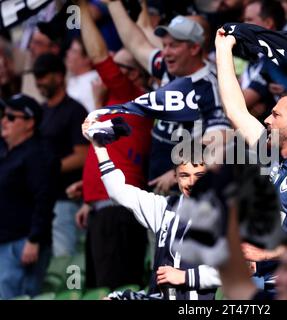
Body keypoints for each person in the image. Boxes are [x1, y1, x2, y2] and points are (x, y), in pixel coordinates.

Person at [215, 28, 287, 293]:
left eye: (275, 115)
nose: (267, 120)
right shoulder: (269, 154)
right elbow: (235, 110)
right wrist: (224, 49)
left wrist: (266, 254)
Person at [81, 118, 221, 300]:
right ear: (175, 177)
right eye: (185, 175)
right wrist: (99, 147)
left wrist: (184, 277)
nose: (192, 182)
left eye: (199, 175)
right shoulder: (163, 207)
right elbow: (118, 192)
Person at [103, 1, 230, 194]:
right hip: (157, 183)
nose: (166, 52)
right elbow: (134, 43)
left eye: (173, 46)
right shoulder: (169, 69)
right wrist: (113, 4)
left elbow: (221, 138)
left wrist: (179, 172)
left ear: (194, 48)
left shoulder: (210, 86)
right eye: (165, 45)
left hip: (186, 192)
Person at [74, 0, 152, 289]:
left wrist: (81, 7)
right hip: (103, 210)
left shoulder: (130, 96)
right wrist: (89, 201)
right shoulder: (117, 105)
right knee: (101, 292)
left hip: (115, 213)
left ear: (132, 75)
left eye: (116, 68)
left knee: (115, 292)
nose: (107, 73)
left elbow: (97, 54)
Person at [0, 94, 59, 299]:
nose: (4, 121)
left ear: (29, 123)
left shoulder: (38, 154)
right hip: (6, 240)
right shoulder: (7, 151)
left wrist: (34, 239)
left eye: (10, 117)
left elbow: (44, 198)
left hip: (22, 243)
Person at [33, 53, 89, 257]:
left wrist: (48, 168)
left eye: (43, 75)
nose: (38, 81)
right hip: (43, 201)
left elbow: (83, 155)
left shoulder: (75, 111)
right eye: (37, 76)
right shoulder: (40, 112)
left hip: (67, 198)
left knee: (65, 258)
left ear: (59, 76)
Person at [65, 37, 100, 113]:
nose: (68, 53)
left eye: (74, 51)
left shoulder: (95, 81)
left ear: (87, 58)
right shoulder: (72, 79)